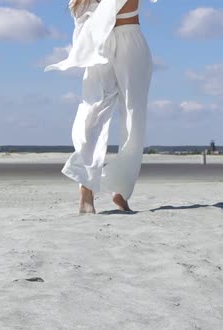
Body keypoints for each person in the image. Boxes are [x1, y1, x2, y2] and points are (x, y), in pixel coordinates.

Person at [45, 0, 154, 214]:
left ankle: (121, 189)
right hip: (100, 47)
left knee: (134, 118)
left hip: (131, 41)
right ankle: (86, 188)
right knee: (91, 115)